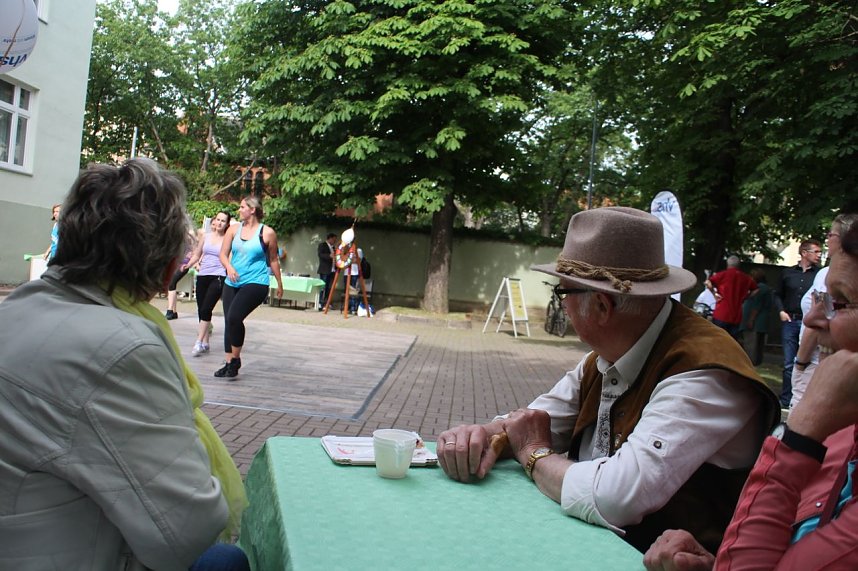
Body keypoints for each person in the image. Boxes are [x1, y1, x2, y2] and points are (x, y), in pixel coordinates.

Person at [436, 207, 779, 554]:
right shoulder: (611, 354)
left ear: (601, 306)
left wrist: (534, 454)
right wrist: (486, 434)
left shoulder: (706, 371)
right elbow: (535, 421)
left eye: (562, 294)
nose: (563, 308)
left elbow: (616, 497)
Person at [0, 159, 249, 570]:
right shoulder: (124, 348)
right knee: (225, 561)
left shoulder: (18, 306)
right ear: (167, 267)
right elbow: (186, 531)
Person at [643, 221, 858, 571]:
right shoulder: (842, 432)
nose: (814, 319)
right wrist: (717, 563)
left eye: (840, 302)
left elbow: (620, 494)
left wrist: (799, 434)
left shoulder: (819, 428)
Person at [790, 214, 857, 408]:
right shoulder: (826, 273)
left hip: (817, 359)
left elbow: (821, 317)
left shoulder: (828, 275)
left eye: (830, 235)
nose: (827, 241)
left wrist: (801, 361)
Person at [216, 195, 283, 379]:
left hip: (256, 282)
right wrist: (228, 266)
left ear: (252, 209)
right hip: (232, 281)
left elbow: (274, 259)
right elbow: (223, 254)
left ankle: (235, 359)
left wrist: (279, 283)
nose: (239, 210)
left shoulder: (267, 233)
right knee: (229, 321)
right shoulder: (233, 230)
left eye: (242, 206)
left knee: (235, 317)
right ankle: (229, 363)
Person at [774, 239, 822, 407]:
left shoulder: (820, 275)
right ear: (804, 253)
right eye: (815, 251)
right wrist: (781, 310)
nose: (819, 255)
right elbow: (777, 294)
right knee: (788, 362)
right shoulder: (788, 273)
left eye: (820, 252)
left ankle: (803, 398)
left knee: (806, 360)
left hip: (807, 323)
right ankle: (787, 399)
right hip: (790, 320)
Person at [183, 211, 231, 356]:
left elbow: (230, 258)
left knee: (206, 308)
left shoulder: (228, 240)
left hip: (218, 276)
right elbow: (197, 254)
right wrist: (188, 265)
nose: (220, 223)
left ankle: (198, 342)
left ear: (227, 224)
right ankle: (206, 342)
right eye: (218, 219)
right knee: (201, 308)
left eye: (223, 221)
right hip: (202, 275)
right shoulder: (206, 236)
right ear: (214, 221)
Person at [706, 255, 757, 338]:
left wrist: (714, 294)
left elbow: (708, 282)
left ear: (727, 264)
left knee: (718, 340)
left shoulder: (722, 275)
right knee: (732, 342)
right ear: (739, 265)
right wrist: (746, 297)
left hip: (721, 314)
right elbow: (756, 289)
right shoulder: (746, 278)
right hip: (736, 316)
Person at [739, 268, 772, 366]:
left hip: (755, 323)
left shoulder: (759, 289)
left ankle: (749, 362)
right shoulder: (766, 288)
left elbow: (756, 306)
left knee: (751, 343)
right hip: (762, 323)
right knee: (759, 345)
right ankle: (757, 362)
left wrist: (751, 320)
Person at [317, 232, 337, 309]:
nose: (334, 241)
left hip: (332, 270)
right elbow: (320, 254)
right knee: (323, 287)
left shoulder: (333, 248)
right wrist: (329, 256)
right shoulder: (322, 245)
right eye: (334, 240)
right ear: (330, 238)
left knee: (329, 287)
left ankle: (327, 303)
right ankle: (320, 303)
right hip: (325, 270)